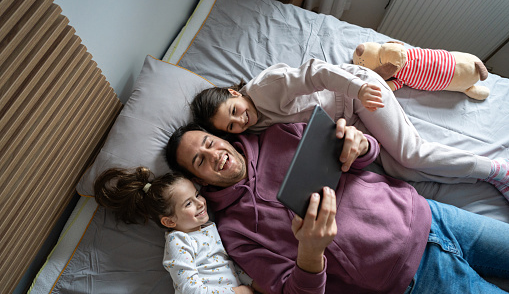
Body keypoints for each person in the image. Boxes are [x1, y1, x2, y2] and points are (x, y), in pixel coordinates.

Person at [165, 121, 509, 294]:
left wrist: (360, 144)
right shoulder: (235, 234)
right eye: (199, 160)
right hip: (412, 283)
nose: (214, 155)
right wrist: (311, 253)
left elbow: (361, 155)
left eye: (209, 143)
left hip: (431, 216)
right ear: (199, 179)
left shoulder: (279, 133)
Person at [190, 58, 509, 200]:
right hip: (346, 120)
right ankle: (480, 174)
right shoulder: (252, 125)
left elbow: (317, 72)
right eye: (231, 126)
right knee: (402, 171)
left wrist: (357, 88)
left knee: (412, 155)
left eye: (235, 111)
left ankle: (497, 170)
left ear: (234, 93)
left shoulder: (264, 89)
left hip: (357, 92)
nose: (241, 121)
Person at [93, 167, 317, 294]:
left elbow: (224, 269)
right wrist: (237, 293)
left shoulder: (208, 229)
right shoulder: (178, 243)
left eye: (197, 194)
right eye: (188, 204)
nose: (200, 203)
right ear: (169, 220)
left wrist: (251, 285)